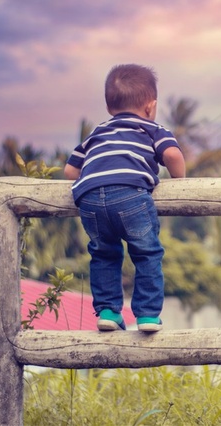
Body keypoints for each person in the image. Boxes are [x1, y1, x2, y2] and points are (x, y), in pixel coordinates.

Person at [64, 64, 186, 332]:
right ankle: (148, 315)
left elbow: (70, 170)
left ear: (110, 107)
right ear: (150, 106)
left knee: (104, 253)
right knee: (146, 253)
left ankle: (107, 311)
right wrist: (180, 179)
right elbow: (173, 156)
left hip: (90, 199)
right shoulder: (152, 128)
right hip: (131, 195)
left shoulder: (97, 132)